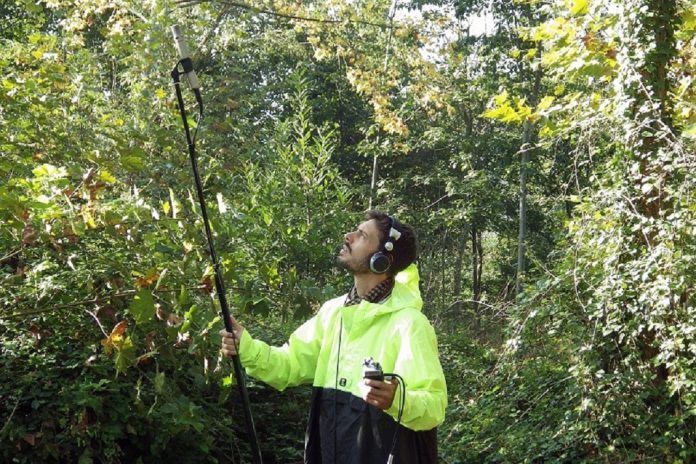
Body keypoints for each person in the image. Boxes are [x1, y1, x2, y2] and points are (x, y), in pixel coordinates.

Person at [220, 211, 447, 463]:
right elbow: (288, 365)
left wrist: (396, 399)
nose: (348, 236)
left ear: (381, 260)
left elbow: (434, 407)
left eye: (361, 235)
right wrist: (247, 347)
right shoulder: (332, 312)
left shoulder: (410, 324)